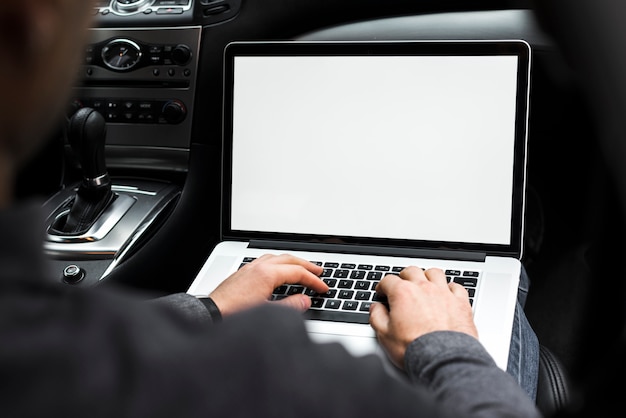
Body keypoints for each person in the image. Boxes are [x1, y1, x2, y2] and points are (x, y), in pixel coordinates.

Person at [0, 1, 541, 417]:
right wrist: (445, 345)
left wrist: (203, 311)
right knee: (500, 304)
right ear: (29, 26)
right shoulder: (274, 378)